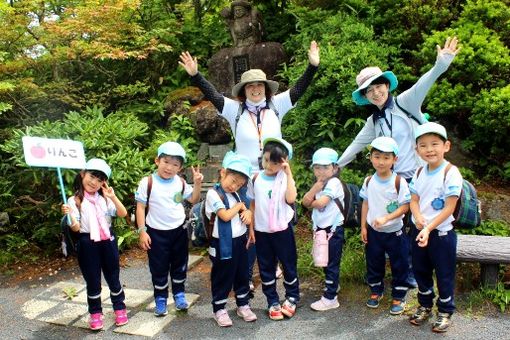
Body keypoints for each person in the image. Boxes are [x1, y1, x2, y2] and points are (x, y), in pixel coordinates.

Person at [179, 40, 319, 292]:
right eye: (251, 86)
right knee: (246, 225)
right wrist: (196, 75)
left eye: (259, 85)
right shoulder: (235, 110)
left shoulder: (277, 105)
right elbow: (212, 94)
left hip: (273, 175)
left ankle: (274, 266)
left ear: (266, 88)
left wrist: (312, 66)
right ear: (244, 90)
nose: (256, 89)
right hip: (245, 179)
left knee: (274, 222)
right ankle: (245, 276)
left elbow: (300, 89)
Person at [338, 36, 460, 288]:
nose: (375, 93)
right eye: (369, 90)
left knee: (418, 223)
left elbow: (425, 82)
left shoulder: (405, 102)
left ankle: (416, 272)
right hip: (393, 182)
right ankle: (397, 272)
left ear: (387, 85)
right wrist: (335, 167)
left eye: (378, 86)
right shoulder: (374, 121)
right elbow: (356, 145)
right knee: (393, 226)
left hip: (419, 177)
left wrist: (442, 62)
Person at [135, 142, 203, 316]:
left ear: (180, 168)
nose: (169, 167)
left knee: (180, 264)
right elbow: (140, 207)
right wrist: (142, 231)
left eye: (175, 165)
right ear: (157, 160)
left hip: (178, 231)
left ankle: (179, 294)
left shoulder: (179, 182)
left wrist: (196, 183)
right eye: (166, 162)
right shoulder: (147, 182)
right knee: (158, 267)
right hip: (156, 233)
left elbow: (194, 200)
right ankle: (160, 298)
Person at [61, 158, 128, 331]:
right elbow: (76, 228)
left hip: (108, 241)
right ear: (83, 174)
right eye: (92, 176)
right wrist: (70, 216)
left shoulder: (104, 199)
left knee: (113, 276)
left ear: (104, 183)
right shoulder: (74, 200)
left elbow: (122, 213)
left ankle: (119, 307)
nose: (94, 182)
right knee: (93, 280)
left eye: (100, 180)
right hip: (87, 242)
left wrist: (112, 197)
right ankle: (95, 313)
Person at [408, 122, 462, 333]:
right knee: (420, 270)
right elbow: (414, 200)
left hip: (441, 234)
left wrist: (428, 228)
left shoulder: (451, 172)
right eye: (423, 145)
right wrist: (419, 218)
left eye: (434, 144)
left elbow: (449, 207)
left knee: (444, 273)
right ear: (417, 150)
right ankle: (424, 305)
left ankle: (445, 310)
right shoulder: (420, 172)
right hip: (419, 230)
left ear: (446, 146)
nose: (429, 149)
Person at [248, 137, 299, 320]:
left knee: (288, 264)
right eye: (267, 159)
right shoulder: (255, 178)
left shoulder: (284, 178)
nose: (269, 165)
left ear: (284, 162)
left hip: (282, 231)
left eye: (275, 162)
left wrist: (288, 174)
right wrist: (251, 228)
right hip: (262, 232)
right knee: (266, 267)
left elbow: (291, 199)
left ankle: (292, 297)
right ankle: (272, 301)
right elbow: (253, 206)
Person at [359, 137, 411, 315]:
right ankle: (376, 291)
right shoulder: (368, 181)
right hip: (374, 233)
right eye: (377, 156)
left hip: (395, 232)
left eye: (386, 157)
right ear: (370, 157)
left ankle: (399, 296)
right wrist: (363, 227)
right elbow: (365, 204)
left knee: (400, 264)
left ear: (394, 159)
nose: (381, 162)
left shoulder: (399, 182)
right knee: (374, 263)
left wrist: (387, 218)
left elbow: (406, 206)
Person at [205, 151, 256, 327]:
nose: (235, 186)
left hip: (240, 241)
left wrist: (247, 213)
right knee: (222, 276)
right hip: (222, 244)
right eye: (233, 181)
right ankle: (219, 308)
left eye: (240, 184)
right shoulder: (213, 194)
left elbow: (247, 211)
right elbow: (225, 216)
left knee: (241, 273)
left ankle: (243, 304)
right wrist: (240, 206)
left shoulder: (237, 195)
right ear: (223, 172)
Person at [302, 148, 345, 311]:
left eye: (325, 167)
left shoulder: (334, 183)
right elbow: (304, 202)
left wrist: (311, 200)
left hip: (333, 230)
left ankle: (330, 298)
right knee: (325, 262)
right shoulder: (319, 185)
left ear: (334, 168)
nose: (321, 171)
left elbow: (318, 203)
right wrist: (316, 187)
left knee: (332, 263)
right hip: (321, 230)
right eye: (317, 167)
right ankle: (333, 286)